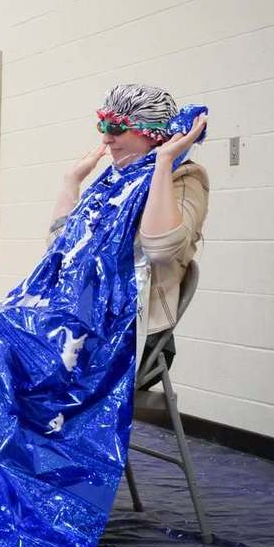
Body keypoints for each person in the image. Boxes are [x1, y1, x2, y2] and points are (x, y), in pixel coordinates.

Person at [49, 84, 209, 382]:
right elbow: (60, 251)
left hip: (127, 332)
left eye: (117, 127)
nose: (106, 137)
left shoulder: (184, 178)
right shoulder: (111, 184)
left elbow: (160, 250)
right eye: (103, 124)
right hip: (78, 314)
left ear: (153, 133)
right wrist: (71, 183)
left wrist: (163, 162)